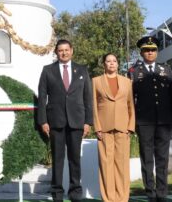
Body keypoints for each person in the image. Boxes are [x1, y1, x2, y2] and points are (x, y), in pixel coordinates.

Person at [36, 39, 93, 202]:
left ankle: (75, 193)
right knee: (57, 159)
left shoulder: (82, 70)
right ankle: (57, 194)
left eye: (66, 50)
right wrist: (43, 121)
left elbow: (87, 98)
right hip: (55, 122)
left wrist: (88, 121)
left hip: (77, 121)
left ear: (72, 51)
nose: (64, 53)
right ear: (56, 52)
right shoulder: (47, 70)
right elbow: (42, 97)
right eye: (60, 50)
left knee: (75, 159)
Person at [130, 36, 172, 202]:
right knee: (147, 158)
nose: (150, 52)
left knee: (162, 158)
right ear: (142, 53)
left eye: (153, 50)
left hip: (164, 121)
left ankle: (162, 193)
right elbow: (130, 99)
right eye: (147, 50)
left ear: (157, 52)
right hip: (144, 121)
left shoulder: (167, 70)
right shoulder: (134, 72)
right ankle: (150, 192)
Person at [92, 53, 135, 202]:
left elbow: (131, 105)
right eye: (108, 61)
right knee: (106, 164)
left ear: (118, 64)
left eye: (114, 61)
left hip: (123, 128)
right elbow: (94, 106)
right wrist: (97, 127)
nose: (111, 63)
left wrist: (130, 126)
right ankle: (109, 199)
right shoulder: (96, 81)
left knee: (122, 165)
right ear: (104, 64)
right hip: (104, 129)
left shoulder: (127, 82)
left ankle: (123, 198)